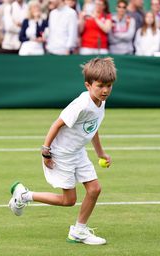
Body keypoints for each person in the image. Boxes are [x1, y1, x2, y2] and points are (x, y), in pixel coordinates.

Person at [8, 57, 117, 245]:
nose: (105, 90)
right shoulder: (81, 105)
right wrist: (46, 152)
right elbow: (56, 125)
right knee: (68, 200)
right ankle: (24, 196)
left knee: (94, 189)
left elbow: (93, 127)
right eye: (100, 86)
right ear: (88, 85)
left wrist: (100, 152)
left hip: (78, 152)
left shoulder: (101, 101)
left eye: (109, 85)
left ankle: (78, 231)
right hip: (62, 154)